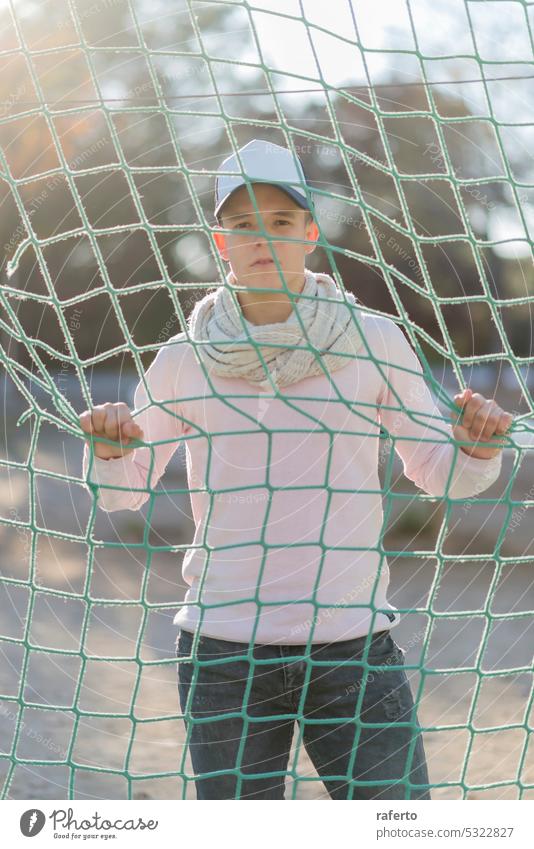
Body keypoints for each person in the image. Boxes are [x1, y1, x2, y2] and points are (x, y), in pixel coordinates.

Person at [79, 139, 513, 800]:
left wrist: (477, 447)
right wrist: (111, 450)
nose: (263, 237)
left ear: (309, 233)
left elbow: (439, 471)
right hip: (224, 652)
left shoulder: (372, 338)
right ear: (221, 241)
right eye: (244, 223)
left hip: (353, 646)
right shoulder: (185, 357)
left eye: (281, 222)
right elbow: (125, 491)